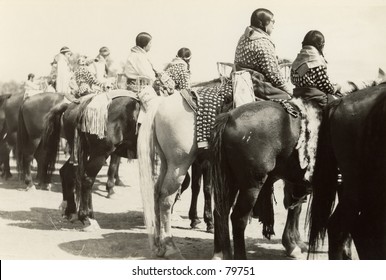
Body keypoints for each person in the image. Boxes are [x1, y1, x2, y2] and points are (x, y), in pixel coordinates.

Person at [234, 8, 291, 96]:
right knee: (288, 100)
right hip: (256, 84)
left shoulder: (244, 37)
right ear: (263, 22)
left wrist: (280, 60)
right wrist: (290, 91)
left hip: (240, 80)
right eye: (272, 21)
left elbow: (256, 59)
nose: (273, 25)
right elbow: (274, 75)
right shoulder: (263, 42)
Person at [291, 30, 341, 108]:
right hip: (315, 99)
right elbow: (328, 88)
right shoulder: (317, 61)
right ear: (321, 45)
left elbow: (292, 80)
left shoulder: (296, 61)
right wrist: (337, 87)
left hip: (297, 97)